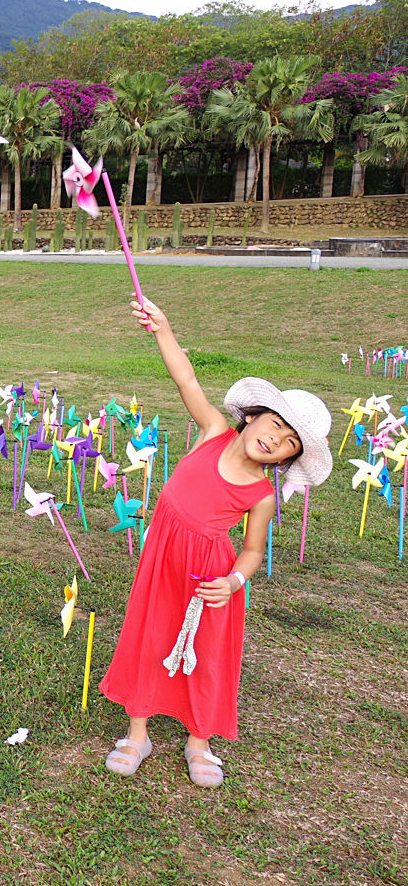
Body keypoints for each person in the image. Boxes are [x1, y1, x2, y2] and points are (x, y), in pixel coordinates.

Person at [99, 296, 332, 786]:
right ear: (253, 417)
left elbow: (251, 551)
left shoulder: (261, 496)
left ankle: (199, 739)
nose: (276, 438)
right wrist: (163, 330)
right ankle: (137, 732)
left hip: (209, 575)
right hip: (163, 558)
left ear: (287, 460)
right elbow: (186, 379)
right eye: (276, 424)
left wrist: (233, 582)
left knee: (204, 653)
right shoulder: (212, 431)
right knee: (150, 634)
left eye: (289, 441)